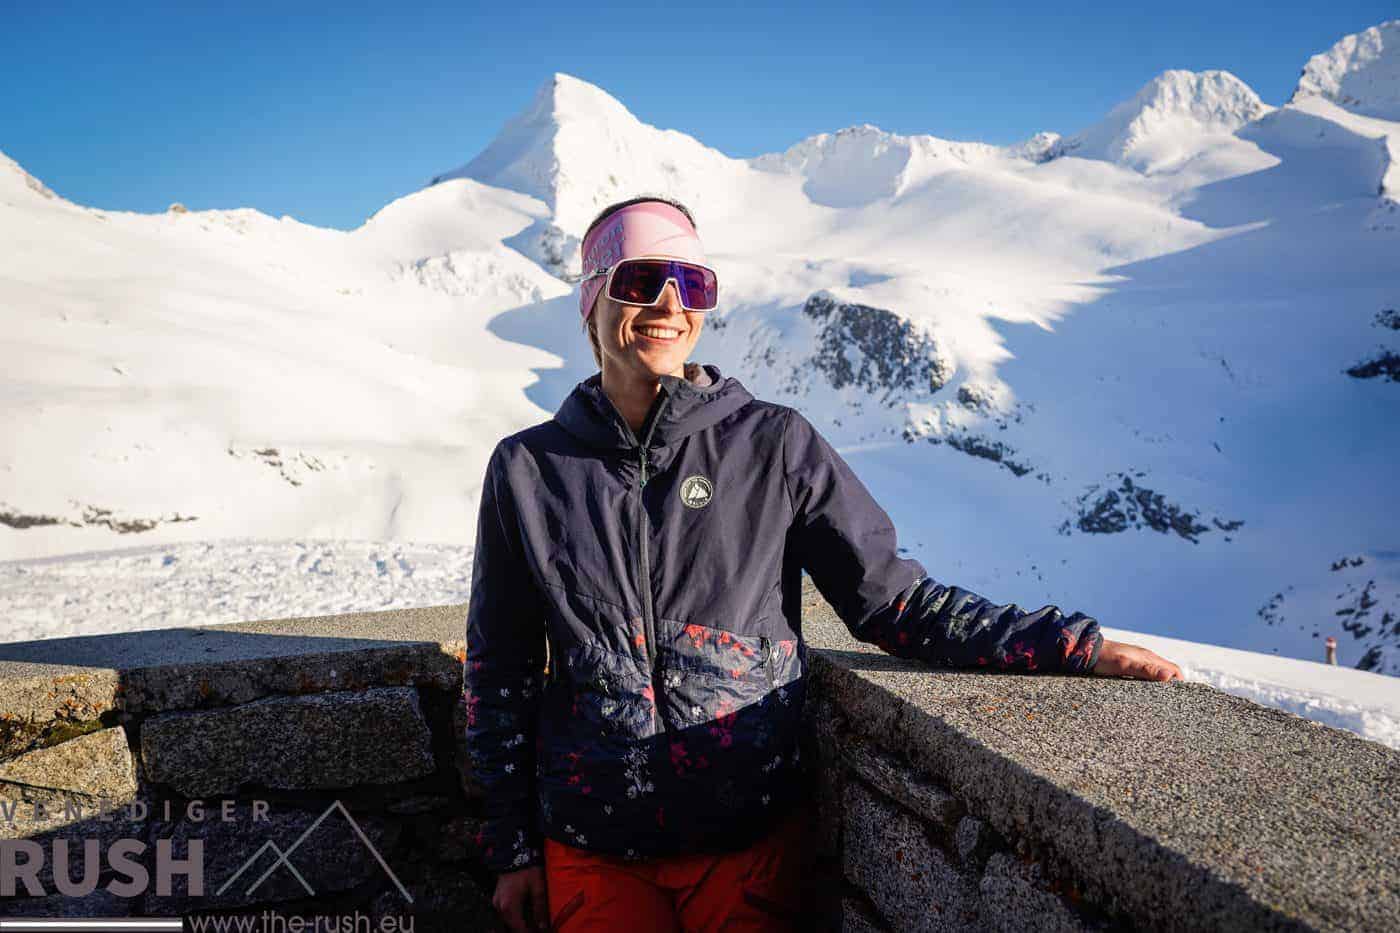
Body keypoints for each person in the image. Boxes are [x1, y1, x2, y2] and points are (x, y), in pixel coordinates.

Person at [462, 195, 1183, 933]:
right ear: (592, 300)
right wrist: (512, 848)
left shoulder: (772, 444)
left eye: (693, 283)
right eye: (643, 279)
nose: (671, 304)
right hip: (593, 844)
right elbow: (500, 669)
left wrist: (1068, 646)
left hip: (747, 838)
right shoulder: (528, 470)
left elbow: (893, 602)